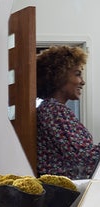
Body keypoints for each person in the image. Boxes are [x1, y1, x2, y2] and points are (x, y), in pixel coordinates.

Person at [36, 45, 100, 179]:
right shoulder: (54, 111)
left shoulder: (51, 109)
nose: (82, 81)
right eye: (77, 74)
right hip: (64, 194)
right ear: (59, 77)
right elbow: (86, 158)